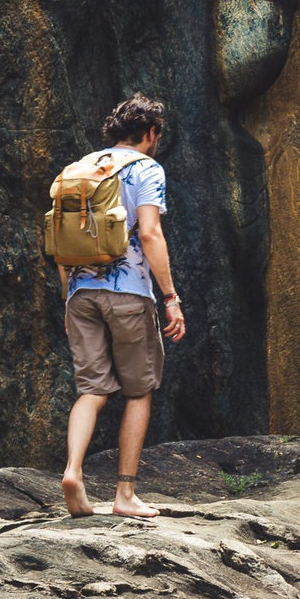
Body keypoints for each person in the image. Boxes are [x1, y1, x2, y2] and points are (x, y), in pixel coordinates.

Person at [57, 94, 186, 518]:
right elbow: (149, 234)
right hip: (129, 292)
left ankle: (73, 472)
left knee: (91, 390)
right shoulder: (147, 169)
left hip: (81, 294)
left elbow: (59, 240)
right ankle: (124, 495)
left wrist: (69, 298)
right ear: (150, 133)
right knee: (138, 390)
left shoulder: (80, 168)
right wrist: (170, 297)